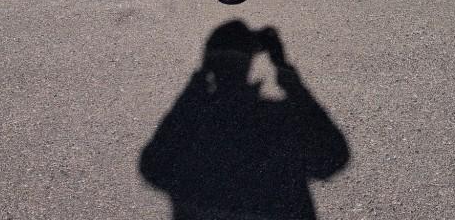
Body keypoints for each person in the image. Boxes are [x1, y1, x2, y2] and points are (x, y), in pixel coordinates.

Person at [140, 21, 349, 220]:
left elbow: (153, 166)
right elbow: (333, 156)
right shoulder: (277, 118)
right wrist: (282, 67)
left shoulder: (198, 121)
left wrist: (197, 84)